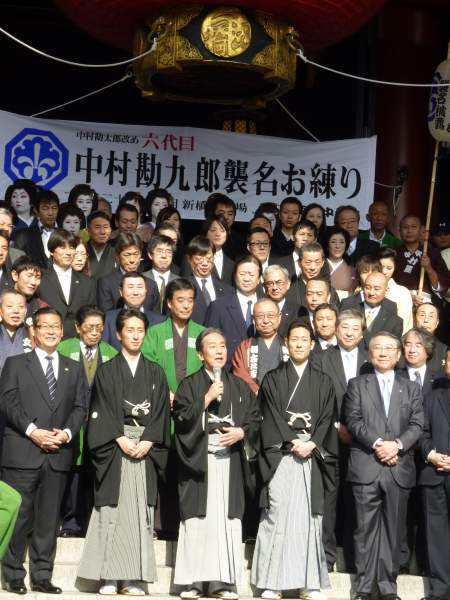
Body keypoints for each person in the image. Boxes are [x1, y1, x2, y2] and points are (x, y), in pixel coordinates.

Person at [77, 309, 170, 596]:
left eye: (140, 330)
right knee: (111, 511)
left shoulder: (155, 371)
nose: (135, 335)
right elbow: (100, 409)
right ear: (118, 334)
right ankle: (107, 575)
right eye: (129, 330)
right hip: (115, 448)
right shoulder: (107, 371)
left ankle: (132, 578)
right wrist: (118, 437)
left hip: (144, 449)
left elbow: (161, 413)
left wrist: (149, 440)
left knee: (139, 513)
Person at [0, 307, 86, 595]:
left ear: (63, 332)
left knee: (49, 520)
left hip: (57, 454)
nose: (50, 330)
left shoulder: (73, 368)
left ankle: (42, 575)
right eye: (44, 326)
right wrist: (33, 432)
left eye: (56, 326)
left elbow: (80, 407)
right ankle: (12, 574)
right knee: (19, 517)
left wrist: (65, 434)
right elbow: (8, 403)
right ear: (33, 332)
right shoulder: (15, 363)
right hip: (23, 452)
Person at [251, 320, 336, 600]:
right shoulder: (273, 379)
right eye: (294, 339)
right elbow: (270, 415)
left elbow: (326, 418)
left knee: (310, 519)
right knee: (276, 515)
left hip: (311, 457)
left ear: (312, 345)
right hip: (282, 456)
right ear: (286, 343)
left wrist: (312, 442)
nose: (299, 344)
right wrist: (291, 441)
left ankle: (309, 582)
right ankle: (272, 581)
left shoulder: (323, 381)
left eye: (304, 340)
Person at [173, 328, 260, 599]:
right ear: (200, 354)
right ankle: (194, 582)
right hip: (199, 460)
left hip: (230, 461)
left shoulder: (240, 386)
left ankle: (223, 582)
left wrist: (241, 433)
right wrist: (207, 398)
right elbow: (181, 419)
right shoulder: (189, 385)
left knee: (226, 521)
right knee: (198, 520)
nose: (219, 350)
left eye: (222, 345)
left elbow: (255, 419)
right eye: (212, 346)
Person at [344, 332, 424, 600]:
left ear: (398, 355)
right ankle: (364, 587)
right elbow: (353, 421)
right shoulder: (357, 384)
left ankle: (388, 587)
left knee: (394, 530)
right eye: (377, 348)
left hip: (399, 467)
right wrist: (380, 443)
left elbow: (417, 425)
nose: (383, 353)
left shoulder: (411, 388)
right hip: (367, 465)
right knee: (364, 530)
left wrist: (397, 445)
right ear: (369, 354)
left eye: (390, 348)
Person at [141, 278, 204, 539]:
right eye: (180, 300)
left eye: (190, 300)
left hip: (193, 410)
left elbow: (210, 367)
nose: (186, 305)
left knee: (189, 467)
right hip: (162, 411)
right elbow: (148, 366)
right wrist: (164, 392)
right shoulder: (155, 332)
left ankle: (187, 523)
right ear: (169, 303)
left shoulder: (202, 332)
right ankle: (160, 525)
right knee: (163, 467)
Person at [310, 309, 370, 572]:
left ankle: (358, 560)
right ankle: (326, 556)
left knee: (359, 499)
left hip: (365, 443)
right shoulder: (321, 359)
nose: (348, 332)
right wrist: (336, 425)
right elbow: (317, 397)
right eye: (344, 327)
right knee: (329, 500)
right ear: (336, 329)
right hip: (330, 438)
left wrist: (358, 430)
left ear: (362, 333)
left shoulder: (372, 359)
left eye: (355, 328)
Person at [57, 305, 118, 538]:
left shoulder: (111, 352)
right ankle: (70, 521)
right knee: (73, 472)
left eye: (99, 328)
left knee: (95, 472)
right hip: (70, 421)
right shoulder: (64, 348)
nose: (94, 332)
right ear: (77, 328)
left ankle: (93, 523)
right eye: (89, 327)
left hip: (100, 423)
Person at [418, 347, 450, 600]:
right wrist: (430, 454)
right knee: (436, 535)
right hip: (434, 475)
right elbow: (423, 432)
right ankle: (440, 590)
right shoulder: (432, 396)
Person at [205, 255, 263, 366]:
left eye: (251, 275)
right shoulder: (218, 306)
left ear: (259, 279)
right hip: (230, 372)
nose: (246, 279)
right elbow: (209, 343)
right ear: (235, 276)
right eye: (242, 274)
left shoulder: (267, 305)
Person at [38, 229, 96, 339]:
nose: (69, 252)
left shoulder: (87, 283)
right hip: (47, 339)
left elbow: (90, 315)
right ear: (51, 251)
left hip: (78, 342)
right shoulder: (40, 279)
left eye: (72, 248)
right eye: (63, 247)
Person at [232, 298, 288, 394]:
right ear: (253, 319)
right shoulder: (244, 347)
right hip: (253, 399)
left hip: (285, 398)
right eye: (260, 316)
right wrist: (258, 393)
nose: (265, 320)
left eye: (270, 315)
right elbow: (239, 374)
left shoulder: (289, 345)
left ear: (279, 317)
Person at [97, 232, 159, 313]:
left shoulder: (151, 284)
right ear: (117, 257)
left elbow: (157, 318)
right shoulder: (106, 283)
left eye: (136, 254)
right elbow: (107, 317)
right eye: (127, 255)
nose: (132, 260)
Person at [395, 214, 450, 304]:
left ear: (421, 230)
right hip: (398, 301)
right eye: (405, 227)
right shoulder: (393, 253)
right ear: (399, 231)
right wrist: (406, 297)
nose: (409, 231)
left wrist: (429, 268)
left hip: (425, 303)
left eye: (413, 227)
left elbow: (443, 285)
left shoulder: (433, 254)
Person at [102, 272, 165, 351]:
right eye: (130, 287)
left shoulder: (160, 321)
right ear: (121, 291)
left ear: (146, 290)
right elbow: (104, 351)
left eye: (139, 287)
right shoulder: (108, 319)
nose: (135, 292)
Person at [340, 271, 403, 347]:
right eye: (368, 288)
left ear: (386, 291)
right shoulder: (349, 306)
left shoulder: (393, 316)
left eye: (376, 289)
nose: (371, 293)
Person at [185, 236, 233, 325]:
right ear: (189, 259)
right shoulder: (182, 287)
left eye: (209, 258)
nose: (205, 263)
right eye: (199, 259)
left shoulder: (228, 290)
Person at [14, 189, 59, 268]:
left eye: (54, 208)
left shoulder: (65, 234)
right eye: (45, 208)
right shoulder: (23, 235)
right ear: (36, 210)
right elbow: (17, 262)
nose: (50, 213)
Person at [288, 242, 340, 309]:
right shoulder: (290, 290)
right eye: (308, 262)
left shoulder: (330, 290)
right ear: (299, 263)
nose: (313, 267)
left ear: (322, 263)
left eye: (317, 262)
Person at [378, 247, 413, 334]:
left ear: (395, 268)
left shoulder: (402, 292)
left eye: (389, 268)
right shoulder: (364, 290)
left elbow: (404, 324)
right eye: (380, 267)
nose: (384, 271)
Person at [143, 234, 180, 312]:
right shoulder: (142, 279)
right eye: (159, 251)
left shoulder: (179, 281)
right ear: (150, 254)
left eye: (168, 252)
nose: (164, 256)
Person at [262, 265, 300, 337]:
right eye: (270, 283)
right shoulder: (258, 309)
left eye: (279, 282)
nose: (275, 287)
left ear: (288, 284)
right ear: (264, 287)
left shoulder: (298, 311)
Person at [0, 290, 32, 374]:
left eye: (21, 307)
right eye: (10, 306)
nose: (16, 311)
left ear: (25, 311)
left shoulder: (33, 333)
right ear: (0, 310)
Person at [323, 226, 357, 300]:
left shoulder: (353, 270)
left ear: (346, 245)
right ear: (327, 245)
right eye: (333, 242)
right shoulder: (319, 266)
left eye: (342, 242)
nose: (338, 246)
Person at [201, 216, 234, 285]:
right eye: (213, 230)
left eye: (222, 230)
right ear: (205, 233)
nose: (218, 234)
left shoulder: (232, 263)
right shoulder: (193, 259)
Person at [414, 303, 447, 372]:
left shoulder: (444, 350)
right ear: (414, 319)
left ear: (437, 323)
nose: (426, 320)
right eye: (422, 315)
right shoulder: (403, 346)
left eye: (431, 316)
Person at [86, 211, 116, 280]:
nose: (102, 232)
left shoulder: (117, 252)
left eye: (106, 227)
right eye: (97, 227)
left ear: (111, 229)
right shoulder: (81, 251)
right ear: (88, 231)